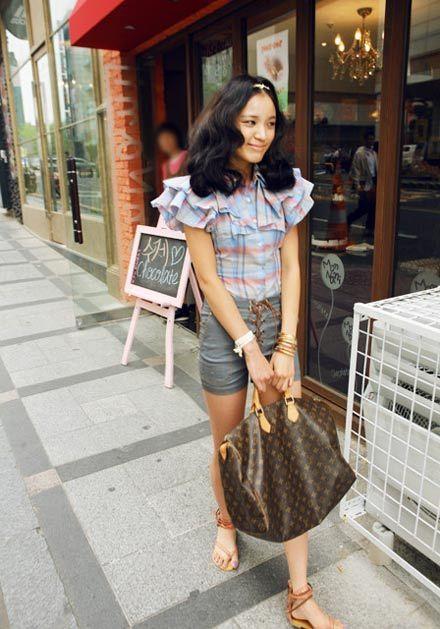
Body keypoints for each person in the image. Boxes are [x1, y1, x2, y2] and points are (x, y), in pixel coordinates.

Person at [151, 75, 344, 629]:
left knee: (285, 444)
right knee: (229, 443)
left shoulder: (284, 186)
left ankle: (300, 594)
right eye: (250, 122)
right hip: (224, 329)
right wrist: (251, 352)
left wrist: (285, 347)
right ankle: (227, 519)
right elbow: (209, 281)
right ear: (227, 122)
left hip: (276, 325)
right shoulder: (198, 192)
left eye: (270, 123)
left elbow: (292, 268)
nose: (261, 133)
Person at [347, 131, 377, 237]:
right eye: (369, 139)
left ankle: (369, 229)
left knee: (373, 207)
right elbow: (356, 169)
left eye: (372, 139)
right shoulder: (360, 153)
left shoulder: (373, 153)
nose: (371, 141)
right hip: (363, 183)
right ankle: (348, 219)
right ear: (364, 140)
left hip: (372, 182)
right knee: (363, 207)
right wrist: (357, 185)